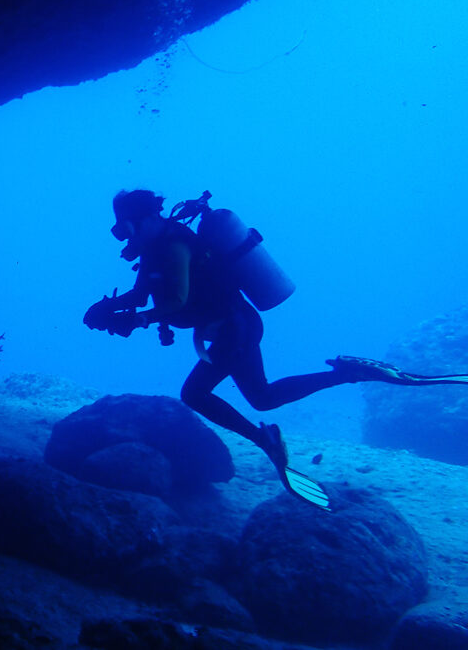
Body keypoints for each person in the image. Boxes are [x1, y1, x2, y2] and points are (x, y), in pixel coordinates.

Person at [84, 189, 427, 509]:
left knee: (196, 394)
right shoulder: (153, 250)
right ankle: (348, 373)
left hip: (235, 328)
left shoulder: (174, 246)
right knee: (262, 397)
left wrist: (139, 320)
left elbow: (177, 301)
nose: (125, 236)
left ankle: (269, 438)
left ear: (147, 218)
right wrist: (108, 307)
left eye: (126, 227)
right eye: (119, 230)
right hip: (233, 327)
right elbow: (141, 294)